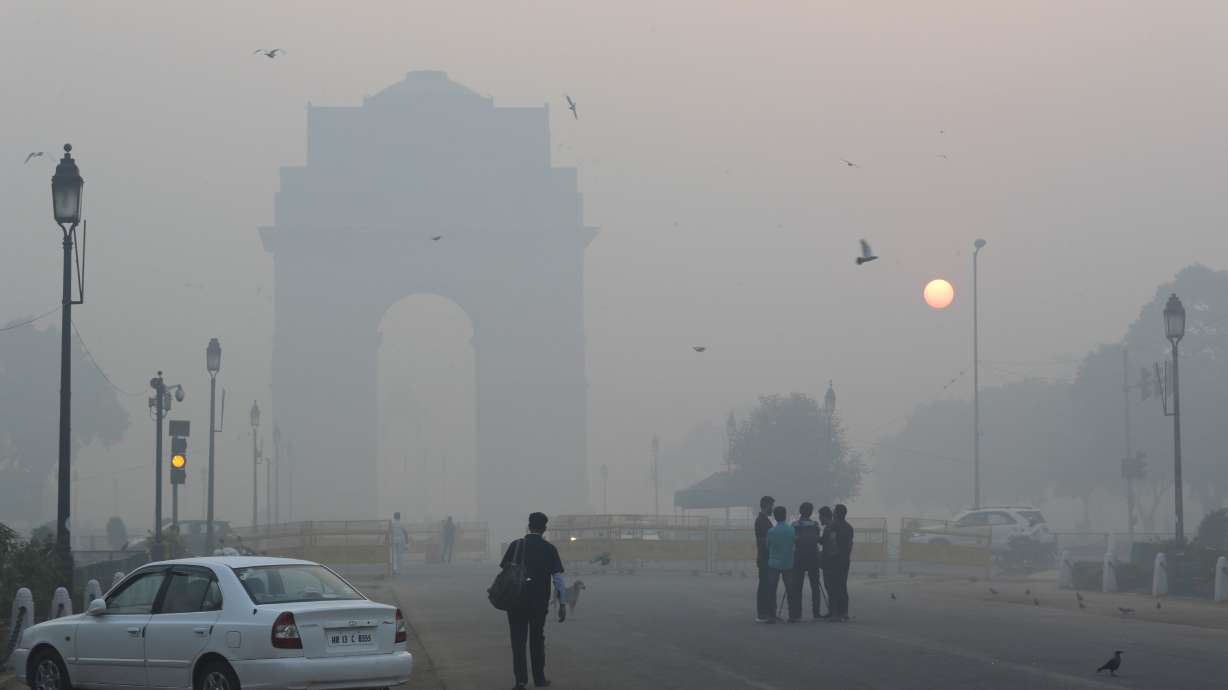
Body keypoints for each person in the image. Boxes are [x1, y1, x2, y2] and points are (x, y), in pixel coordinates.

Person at [500, 512, 567, 689]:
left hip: (515, 601)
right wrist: (562, 603)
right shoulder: (549, 549)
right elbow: (558, 578)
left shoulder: (516, 545)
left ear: (529, 527)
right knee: (537, 639)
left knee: (518, 640)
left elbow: (505, 570)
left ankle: (520, 680)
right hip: (538, 602)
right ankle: (539, 679)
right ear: (544, 529)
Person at [789, 502, 824, 621]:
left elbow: (792, 541)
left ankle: (797, 613)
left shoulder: (794, 525)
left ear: (800, 511)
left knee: (797, 586)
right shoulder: (815, 525)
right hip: (813, 557)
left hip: (798, 558)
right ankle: (816, 612)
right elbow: (818, 539)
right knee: (815, 586)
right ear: (810, 512)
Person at [766, 505, 795, 623]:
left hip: (773, 563)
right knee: (790, 590)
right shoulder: (791, 530)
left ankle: (772, 615)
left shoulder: (771, 531)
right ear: (785, 515)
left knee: (772, 590)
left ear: (775, 517)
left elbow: (768, 547)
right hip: (788, 563)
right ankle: (793, 615)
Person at [826, 504, 855, 621]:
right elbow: (850, 544)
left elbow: (832, 541)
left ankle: (834, 614)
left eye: (834, 511)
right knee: (842, 586)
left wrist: (831, 556)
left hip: (835, 559)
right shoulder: (849, 527)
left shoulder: (833, 525)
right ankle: (844, 612)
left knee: (833, 586)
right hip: (845, 559)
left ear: (836, 513)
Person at [754, 495, 776, 623]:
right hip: (764, 557)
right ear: (766, 505)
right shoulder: (761, 521)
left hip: (766, 556)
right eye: (771, 506)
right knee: (764, 586)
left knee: (766, 585)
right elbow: (762, 540)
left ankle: (766, 612)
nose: (772, 509)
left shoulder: (764, 520)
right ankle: (762, 613)